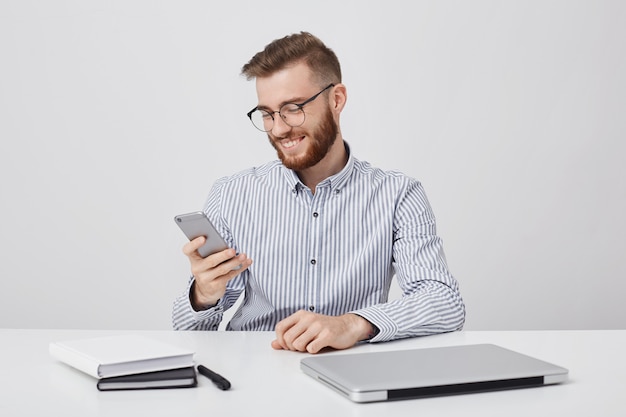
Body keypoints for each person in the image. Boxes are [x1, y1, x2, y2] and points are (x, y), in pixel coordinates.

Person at [172, 32, 465, 354]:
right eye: (268, 114)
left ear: (336, 99)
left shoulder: (398, 194)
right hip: (255, 371)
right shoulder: (231, 194)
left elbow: (443, 302)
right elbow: (189, 334)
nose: (279, 129)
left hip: (352, 368)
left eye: (293, 108)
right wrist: (203, 293)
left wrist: (353, 324)